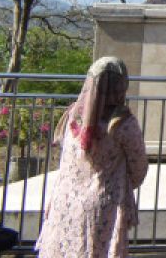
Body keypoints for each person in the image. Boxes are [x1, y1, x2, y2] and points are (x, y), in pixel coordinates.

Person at [36, 57, 148, 258]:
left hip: (65, 200)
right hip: (104, 206)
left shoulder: (72, 116)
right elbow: (139, 168)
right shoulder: (123, 124)